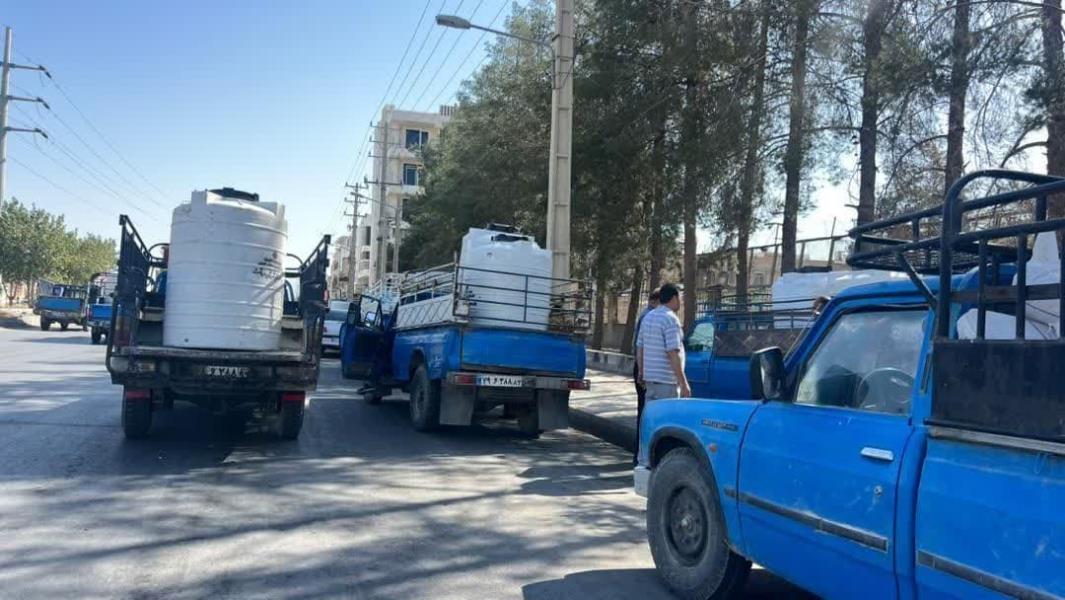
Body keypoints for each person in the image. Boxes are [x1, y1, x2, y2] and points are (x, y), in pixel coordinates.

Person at [637, 282, 691, 402]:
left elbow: (640, 347)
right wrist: (683, 383)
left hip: (650, 381)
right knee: (668, 414)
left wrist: (641, 371)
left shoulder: (648, 317)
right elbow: (673, 353)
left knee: (652, 413)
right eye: (680, 298)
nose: (681, 302)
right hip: (667, 382)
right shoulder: (670, 319)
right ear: (674, 298)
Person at [631, 288, 659, 464]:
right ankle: (640, 455)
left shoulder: (645, 314)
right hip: (645, 369)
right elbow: (641, 346)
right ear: (657, 301)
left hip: (641, 368)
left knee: (643, 410)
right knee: (645, 412)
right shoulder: (649, 316)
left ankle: (639, 454)